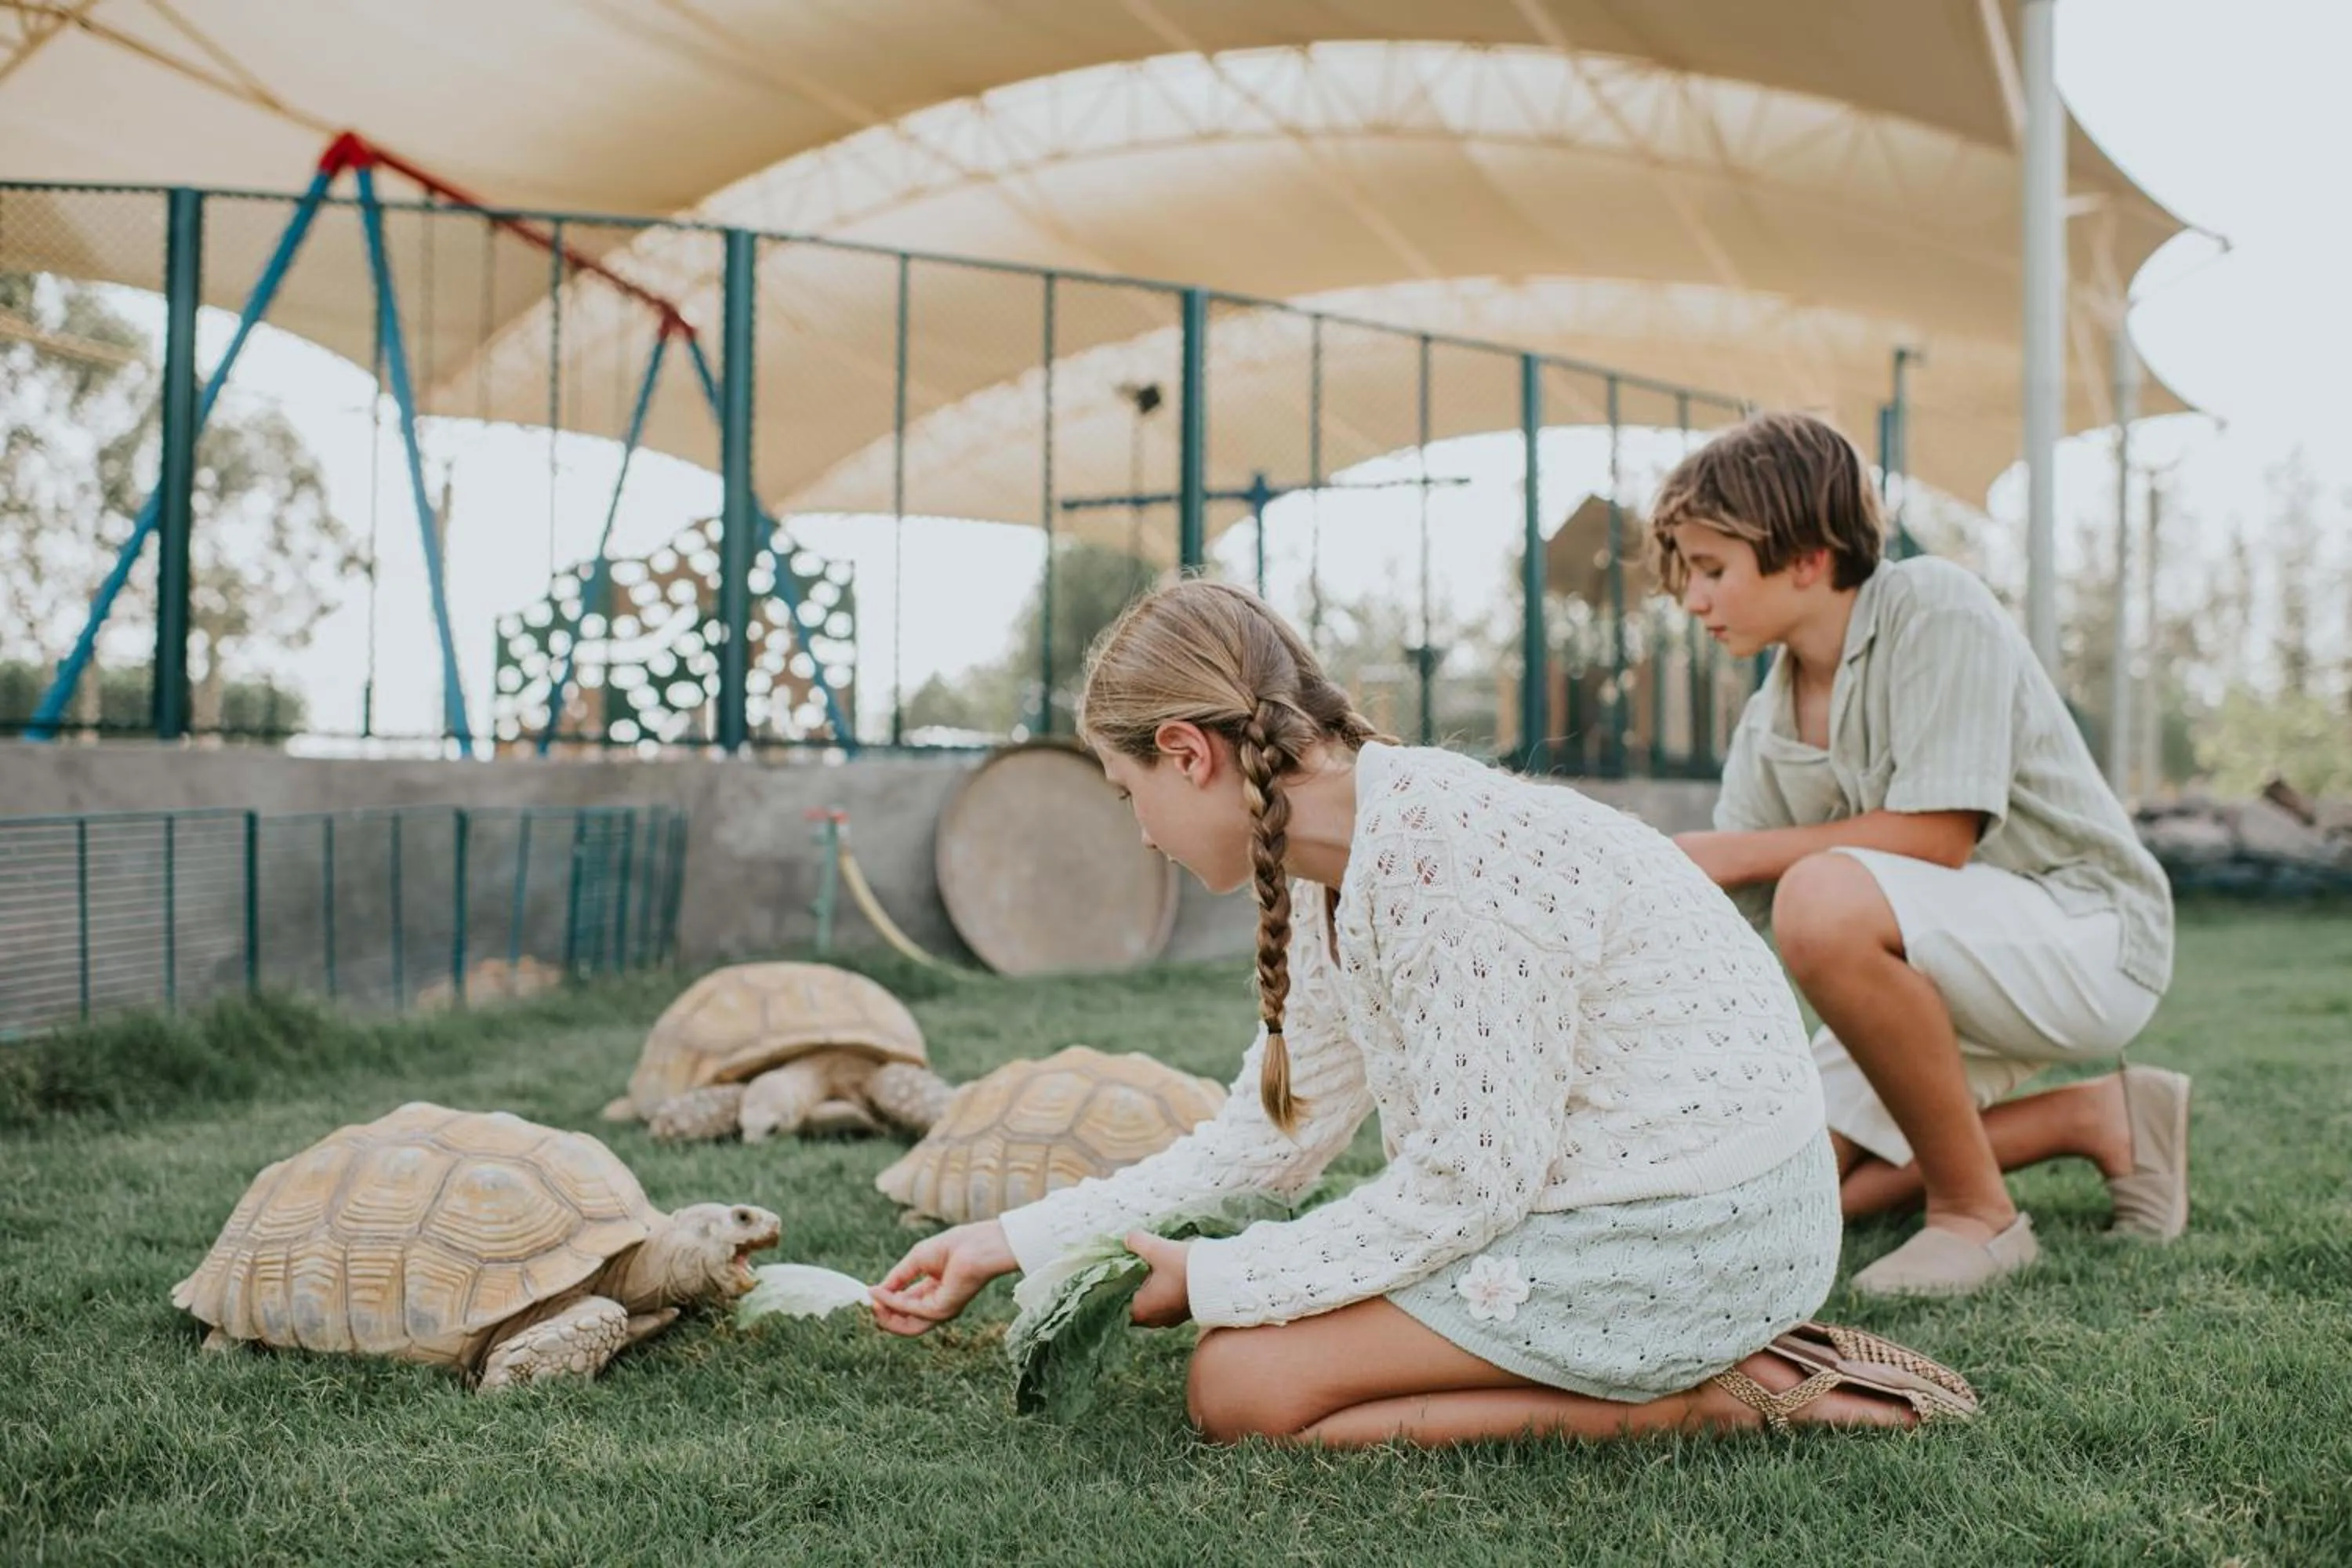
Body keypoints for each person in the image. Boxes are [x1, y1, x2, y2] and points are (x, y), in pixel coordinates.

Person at [869, 578, 1976, 1446]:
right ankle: (1678, 1373)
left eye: (1128, 798)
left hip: (1700, 1226)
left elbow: (1470, 1182)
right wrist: (1008, 1241)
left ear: (1187, 754)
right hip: (1593, 1203)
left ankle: (1717, 1394)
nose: (1142, 833)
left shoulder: (1450, 858)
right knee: (1242, 1367)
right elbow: (1274, 1135)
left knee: (1241, 1383)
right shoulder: (1322, 861)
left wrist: (1221, 1278)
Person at [1652, 412, 2189, 1300]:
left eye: (1711, 569)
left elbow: (1937, 837)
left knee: (1821, 896)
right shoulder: (1767, 720)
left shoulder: (1936, 603)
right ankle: (2100, 1117)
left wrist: (1730, 850)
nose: (1693, 599)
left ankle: (1977, 1216)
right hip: (1938, 970)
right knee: (1769, 1192)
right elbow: (1730, 924)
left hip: (2088, 934)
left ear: (1808, 558)